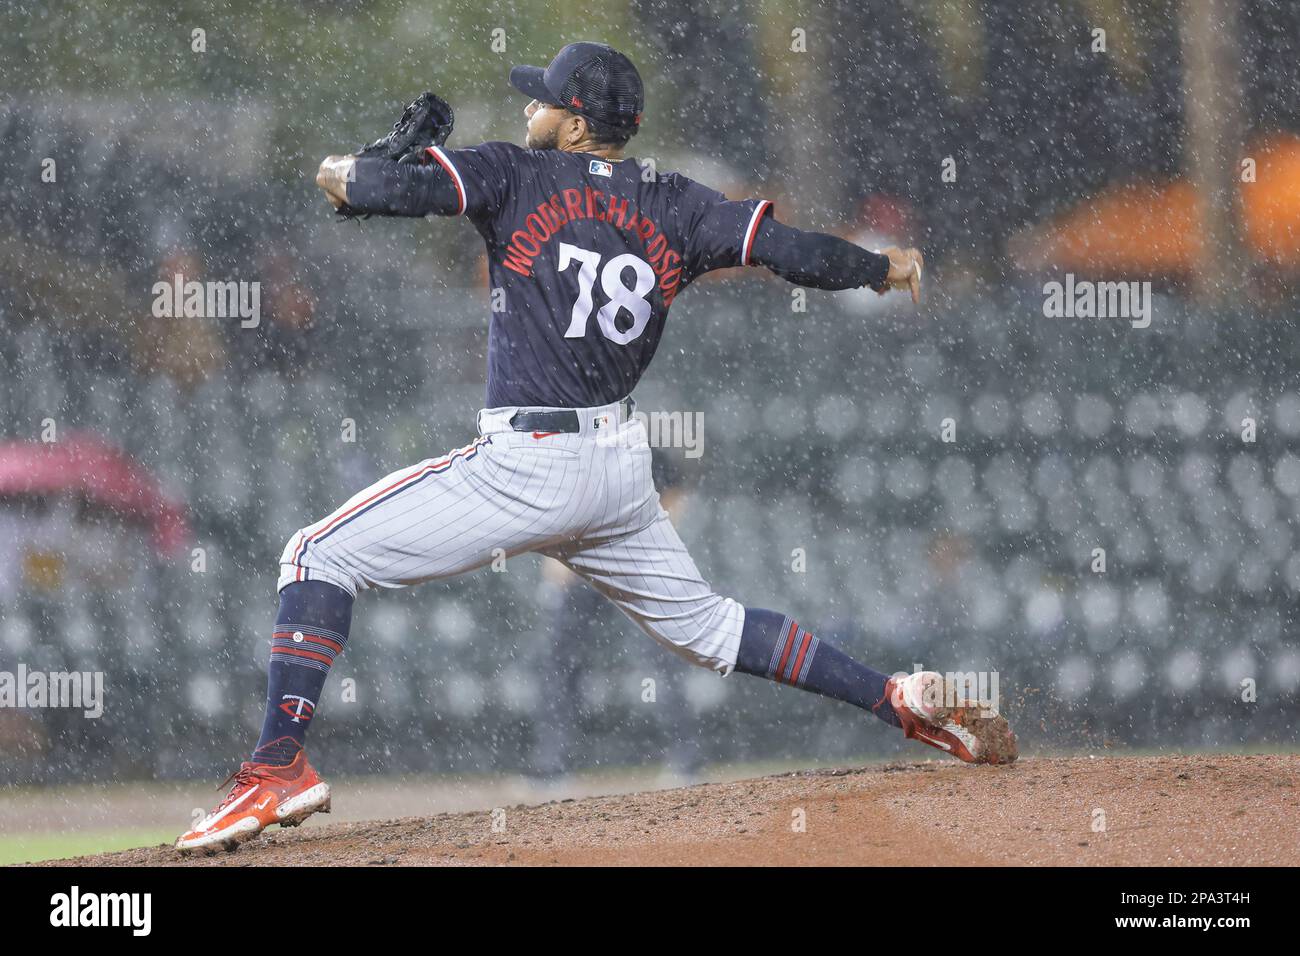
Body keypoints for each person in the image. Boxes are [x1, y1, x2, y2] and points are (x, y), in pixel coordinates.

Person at [176, 41, 1014, 855]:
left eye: (544, 97)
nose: (529, 105)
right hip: (616, 466)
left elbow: (356, 184)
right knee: (715, 630)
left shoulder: (514, 172)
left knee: (314, 555)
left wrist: (364, 166)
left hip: (526, 459)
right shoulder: (678, 201)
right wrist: (878, 266)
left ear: (576, 126)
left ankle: (274, 768)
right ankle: (896, 699)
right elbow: (791, 252)